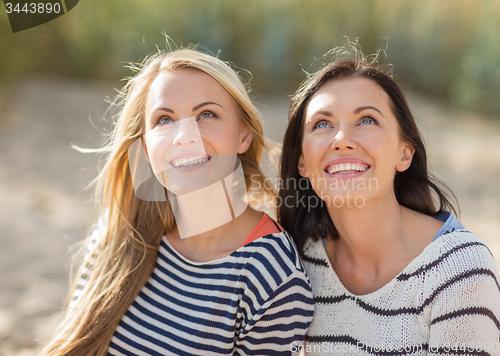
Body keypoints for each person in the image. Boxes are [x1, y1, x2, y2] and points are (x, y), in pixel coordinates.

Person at [41, 48, 314, 356]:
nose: (184, 136)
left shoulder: (271, 272)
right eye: (165, 119)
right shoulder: (118, 233)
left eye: (206, 115)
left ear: (243, 135)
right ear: (146, 147)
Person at [278, 50, 500, 355]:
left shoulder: (458, 269)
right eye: (322, 124)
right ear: (303, 164)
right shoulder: (300, 263)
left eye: (366, 120)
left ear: (404, 154)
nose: (341, 139)